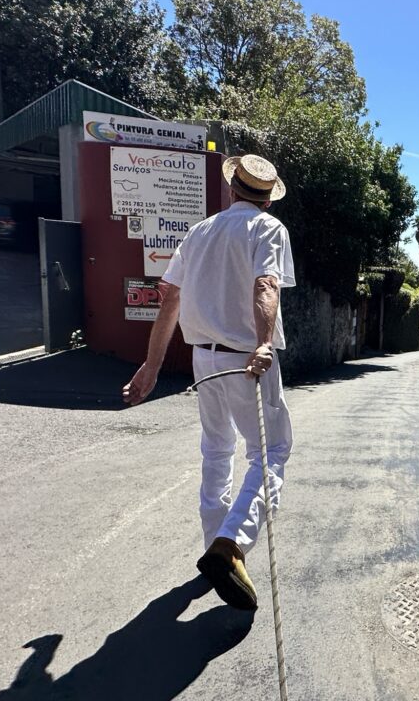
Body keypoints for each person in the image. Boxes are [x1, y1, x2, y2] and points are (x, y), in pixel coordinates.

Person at [122, 154, 295, 612]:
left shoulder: (198, 233)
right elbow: (265, 286)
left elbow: (170, 300)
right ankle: (230, 545)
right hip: (247, 360)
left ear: (232, 189)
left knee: (216, 449)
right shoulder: (267, 229)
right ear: (267, 198)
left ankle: (214, 548)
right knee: (270, 451)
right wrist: (262, 343)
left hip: (204, 359)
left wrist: (152, 366)